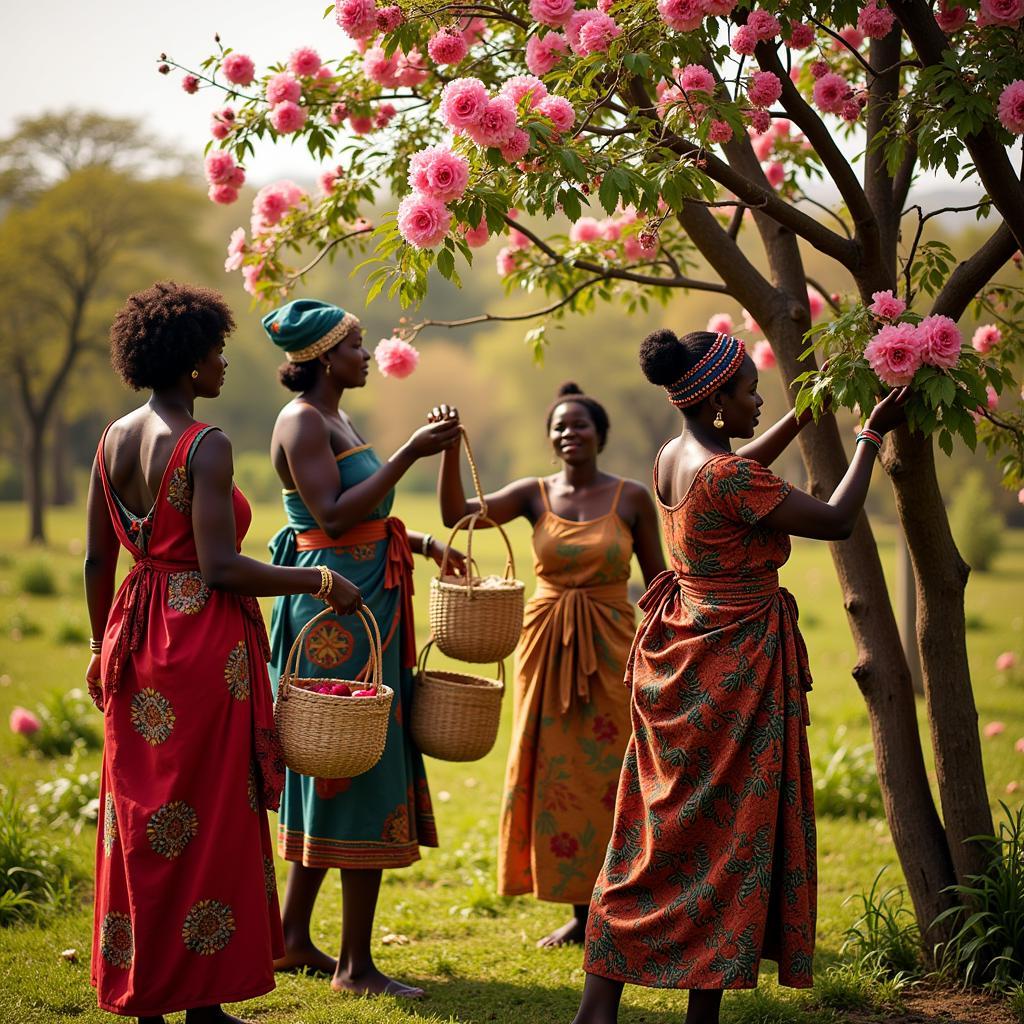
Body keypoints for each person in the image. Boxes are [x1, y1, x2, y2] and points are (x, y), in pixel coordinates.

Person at [572, 329, 908, 1024]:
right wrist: (871, 435)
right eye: (752, 392)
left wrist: (800, 415)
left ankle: (601, 1006)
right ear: (718, 398)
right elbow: (840, 519)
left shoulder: (676, 456)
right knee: (726, 840)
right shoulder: (729, 477)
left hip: (683, 656)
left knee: (660, 831)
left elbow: (738, 471)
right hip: (731, 672)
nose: (759, 402)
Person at [84, 282, 362, 1024]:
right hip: (201, 645)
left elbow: (93, 561)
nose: (222, 362)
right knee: (206, 822)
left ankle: (163, 999)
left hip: (133, 633)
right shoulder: (204, 445)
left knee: (143, 821)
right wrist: (319, 577)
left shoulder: (113, 439)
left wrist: (94, 643)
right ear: (186, 360)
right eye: (213, 350)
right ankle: (197, 1000)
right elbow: (218, 567)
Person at [263, 299, 464, 999]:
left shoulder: (336, 418)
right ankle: (354, 967)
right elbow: (334, 516)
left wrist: (424, 543)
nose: (367, 352)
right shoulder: (303, 421)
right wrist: (410, 451)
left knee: (340, 762)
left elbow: (368, 521)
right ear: (322, 357)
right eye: (354, 344)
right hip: (335, 616)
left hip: (365, 603)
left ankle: (291, 938)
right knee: (350, 762)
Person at [431, 382, 666, 948]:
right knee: (556, 774)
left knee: (612, 773)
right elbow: (455, 515)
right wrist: (445, 448)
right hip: (546, 646)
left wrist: (668, 650)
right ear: (550, 438)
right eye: (559, 426)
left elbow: (659, 580)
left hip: (613, 647)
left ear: (600, 435)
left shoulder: (631, 497)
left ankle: (622, 900)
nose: (569, 433)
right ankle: (580, 916)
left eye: (579, 424)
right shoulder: (533, 493)